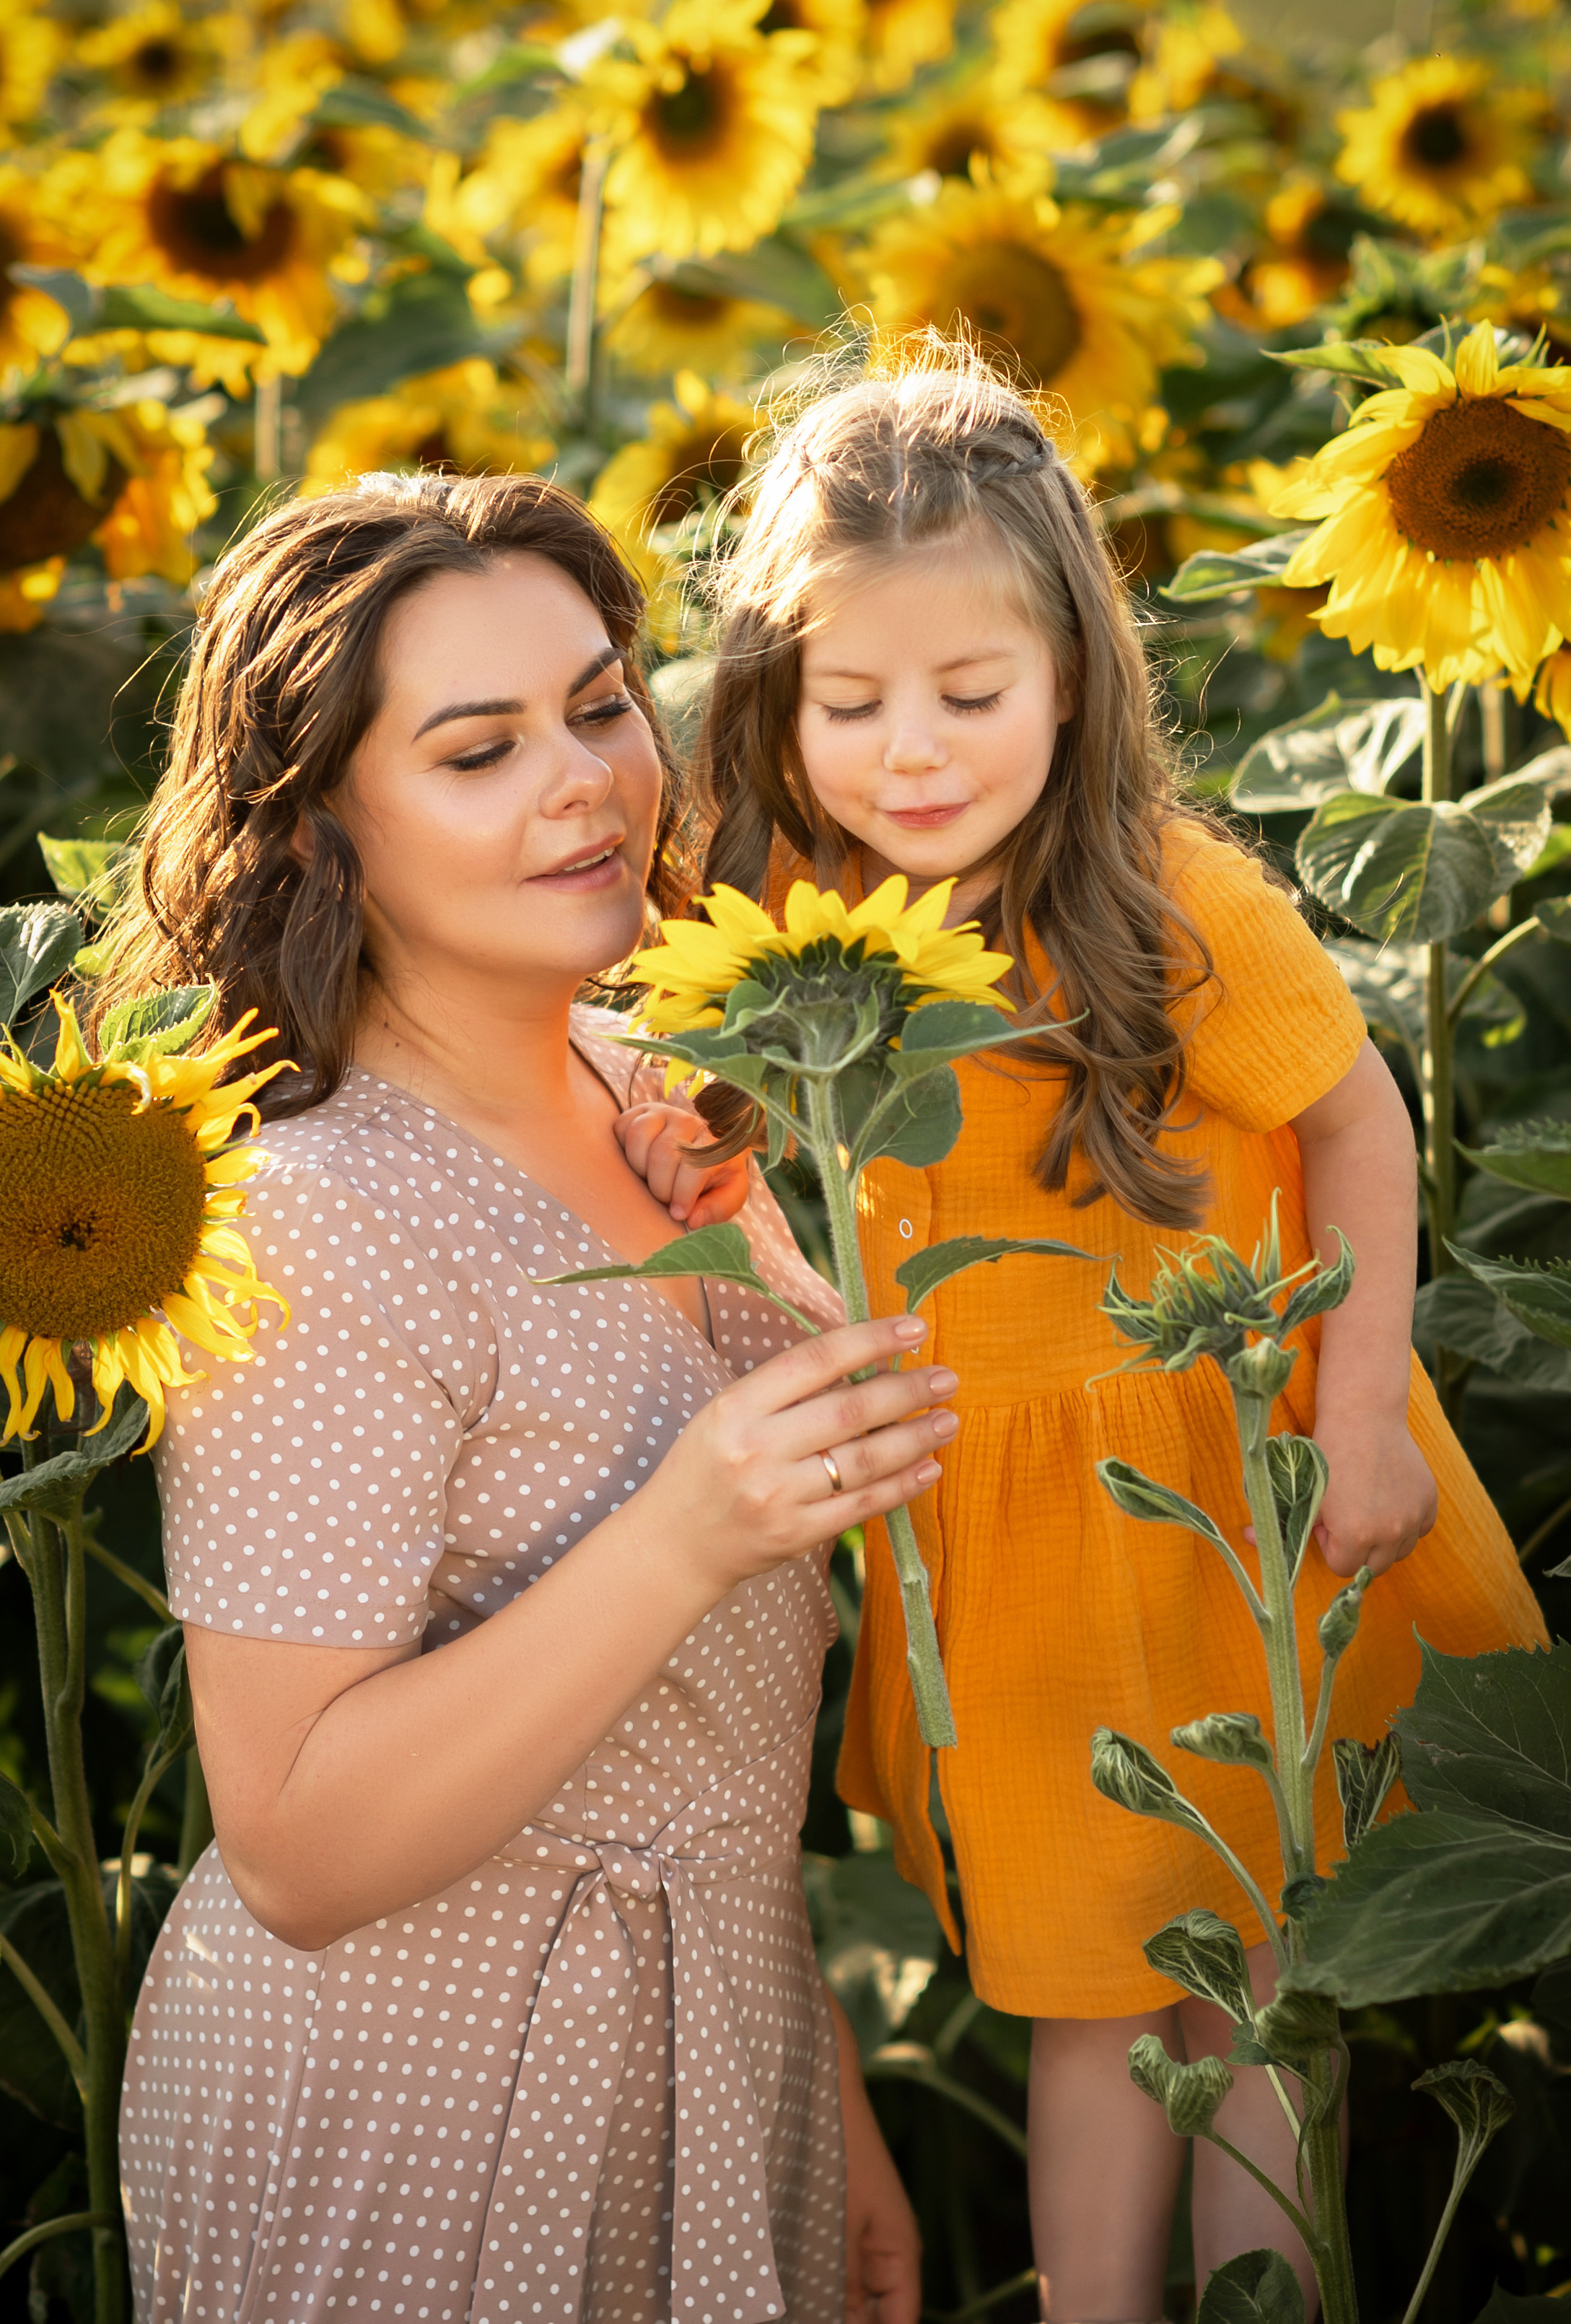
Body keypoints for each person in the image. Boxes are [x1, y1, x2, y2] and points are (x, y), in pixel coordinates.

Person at [616, 349, 1549, 2322]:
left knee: (1262, 1974)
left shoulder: (1159, 901)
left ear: (1072, 678)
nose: (916, 754)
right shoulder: (800, 916)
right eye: (852, 704)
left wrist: (1365, 1413)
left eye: (972, 697)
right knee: (1075, 1981)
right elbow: (751, 1148)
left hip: (1232, 1495)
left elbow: (1354, 1115)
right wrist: (694, 1145)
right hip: (1015, 1541)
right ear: (778, 702)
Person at [106, 471, 935, 2323]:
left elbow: (696, 1742)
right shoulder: (314, 1215)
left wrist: (814, 2087)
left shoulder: (651, 1086)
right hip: (426, 2095)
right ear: (321, 824)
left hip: (711, 2036)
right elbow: (300, 1845)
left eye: (599, 701)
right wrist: (687, 1530)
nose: (587, 779)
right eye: (478, 750)